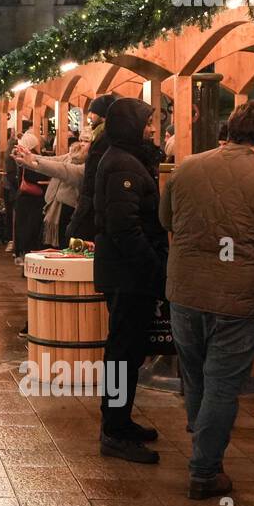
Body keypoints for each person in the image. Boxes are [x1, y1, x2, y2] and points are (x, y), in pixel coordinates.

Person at [160, 101, 254, 498]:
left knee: (194, 378)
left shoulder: (187, 166)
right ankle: (205, 471)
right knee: (223, 385)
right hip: (240, 297)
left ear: (228, 130)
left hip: (185, 291)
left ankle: (203, 450)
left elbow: (166, 219)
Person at [93, 98, 166, 463]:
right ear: (130, 126)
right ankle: (115, 430)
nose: (152, 129)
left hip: (127, 272)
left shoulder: (124, 157)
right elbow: (126, 228)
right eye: (147, 123)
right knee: (122, 354)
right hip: (127, 274)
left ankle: (120, 420)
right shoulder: (123, 164)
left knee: (128, 351)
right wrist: (156, 268)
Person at [14, 139, 88, 248]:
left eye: (86, 141)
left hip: (70, 209)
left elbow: (63, 170)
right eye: (81, 139)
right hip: (55, 207)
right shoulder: (70, 155)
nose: (82, 143)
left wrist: (33, 162)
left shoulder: (89, 164)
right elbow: (53, 160)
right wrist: (30, 157)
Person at [65, 94, 116, 242]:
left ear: (102, 115)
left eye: (93, 112)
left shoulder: (102, 139)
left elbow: (92, 175)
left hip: (94, 201)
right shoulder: (102, 136)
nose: (90, 116)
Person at [11, 131, 48, 264]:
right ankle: (29, 255)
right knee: (31, 227)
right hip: (34, 197)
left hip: (23, 196)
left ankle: (21, 253)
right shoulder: (34, 158)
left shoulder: (22, 158)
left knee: (22, 227)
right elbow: (37, 177)